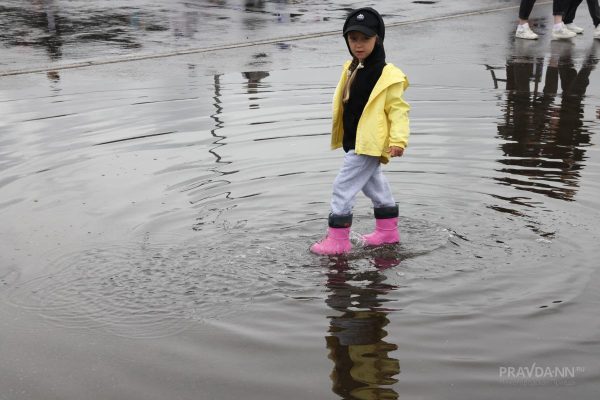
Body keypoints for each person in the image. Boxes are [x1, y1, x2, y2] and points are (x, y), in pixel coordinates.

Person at [310, 8, 410, 255]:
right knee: (374, 186)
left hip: (369, 143)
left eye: (365, 39)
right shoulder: (353, 68)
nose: (358, 44)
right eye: (353, 39)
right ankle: (388, 233)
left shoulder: (387, 75)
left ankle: (338, 240)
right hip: (356, 141)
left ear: (378, 38)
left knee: (342, 186)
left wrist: (398, 140)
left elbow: (398, 111)